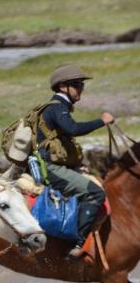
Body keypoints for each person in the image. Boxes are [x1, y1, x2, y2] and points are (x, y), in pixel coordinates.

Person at [37, 64, 114, 260]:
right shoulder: (57, 107)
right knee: (95, 193)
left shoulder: (58, 107)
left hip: (55, 165)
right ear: (63, 87)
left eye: (81, 85)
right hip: (51, 169)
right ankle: (79, 244)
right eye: (77, 84)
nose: (81, 88)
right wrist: (101, 121)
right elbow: (73, 129)